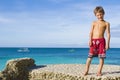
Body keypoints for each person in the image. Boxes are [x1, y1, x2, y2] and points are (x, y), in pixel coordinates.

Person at [83, 6, 111, 76]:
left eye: (101, 14)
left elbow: (108, 34)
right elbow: (91, 32)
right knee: (89, 57)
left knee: (101, 57)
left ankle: (99, 71)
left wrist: (107, 44)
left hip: (102, 41)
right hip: (93, 41)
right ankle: (86, 70)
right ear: (95, 15)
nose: (99, 16)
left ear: (103, 13)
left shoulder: (106, 23)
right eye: (97, 15)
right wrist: (90, 40)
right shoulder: (94, 22)